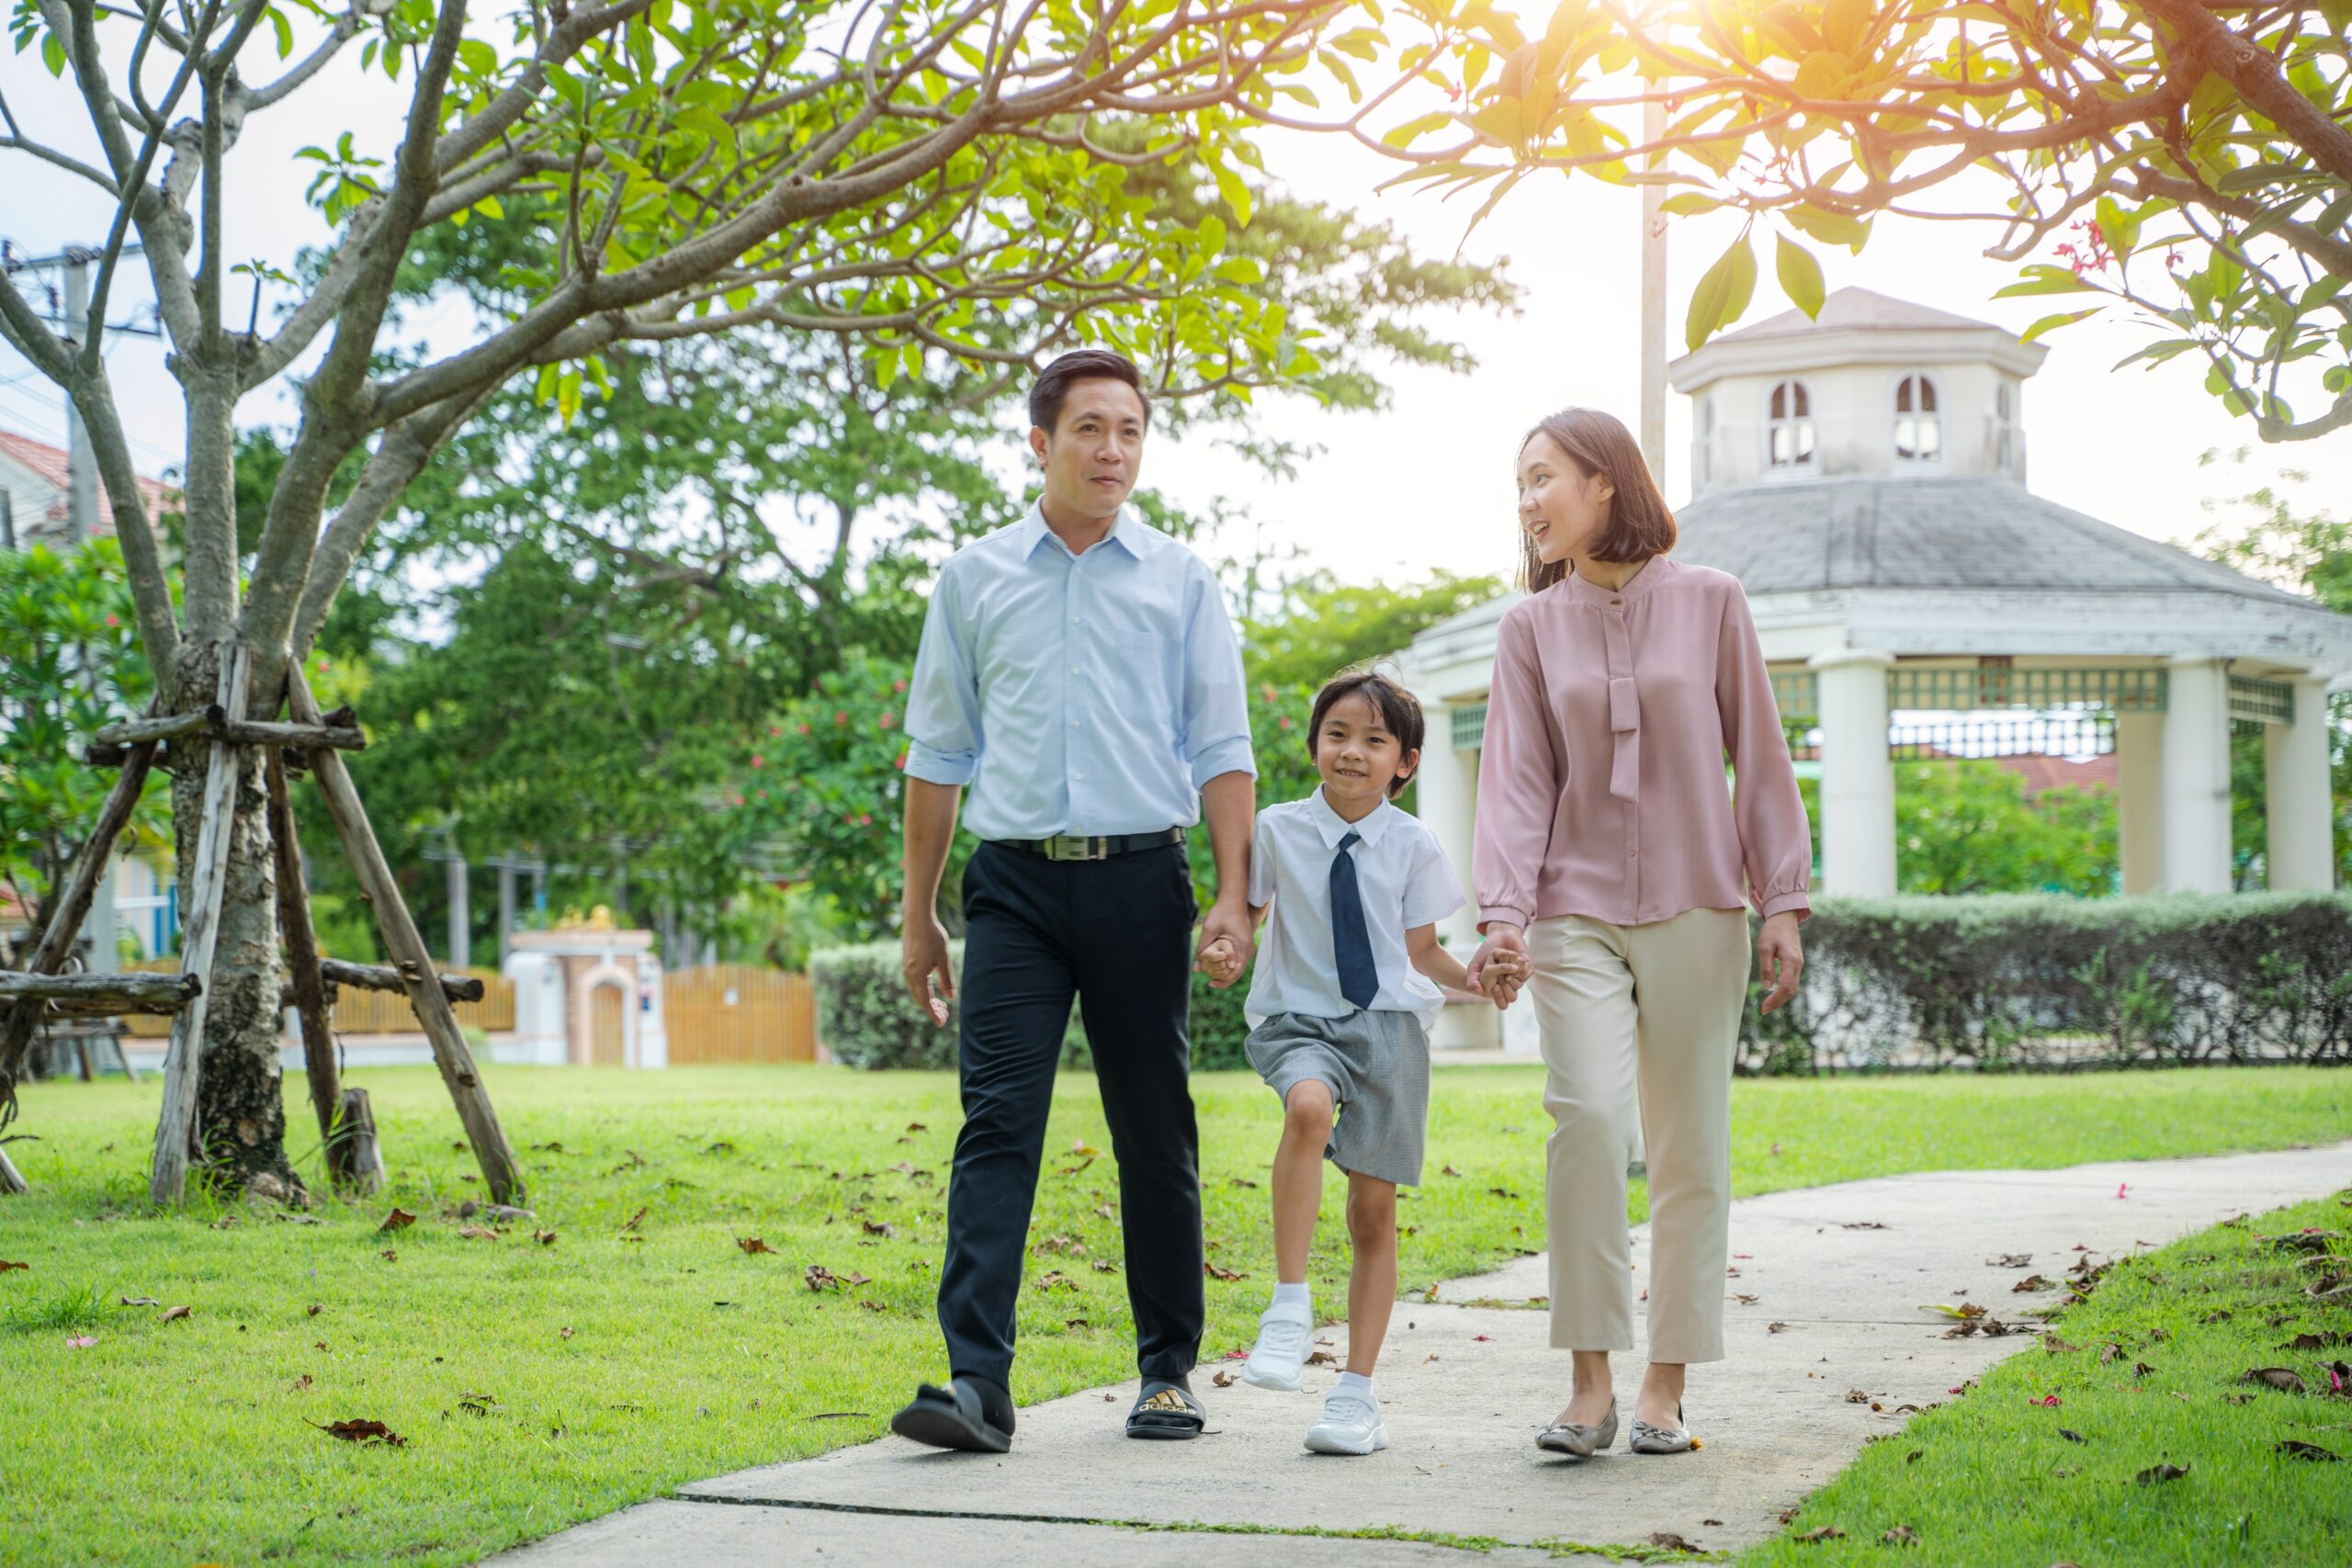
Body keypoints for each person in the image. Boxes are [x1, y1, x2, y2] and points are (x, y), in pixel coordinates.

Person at [888, 348, 1257, 1452]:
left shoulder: (1183, 579)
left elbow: (1221, 749)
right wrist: (920, 915)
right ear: (1039, 444)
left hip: (1145, 878)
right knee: (997, 1122)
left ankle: (1167, 1374)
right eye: (1090, 429)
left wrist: (1234, 894)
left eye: (1131, 431)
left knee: (1155, 1128)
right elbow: (937, 754)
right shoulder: (974, 578)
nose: (1113, 450)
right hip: (1013, 891)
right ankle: (974, 1383)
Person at [1464, 407, 1811, 1461]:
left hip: (1701, 906)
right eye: (1519, 485)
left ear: (1604, 482)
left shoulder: (1712, 602)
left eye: (1542, 479)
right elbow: (1516, 783)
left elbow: (1758, 752)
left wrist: (1782, 898)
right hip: (1571, 914)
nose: (1527, 503)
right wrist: (1501, 916)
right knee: (1585, 1119)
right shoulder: (1529, 629)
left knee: (1688, 1147)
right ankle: (1587, 1383)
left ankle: (1664, 1385)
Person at [1199, 670, 1521, 1455]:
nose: (1353, 751)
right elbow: (1244, 909)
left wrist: (1478, 976)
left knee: (1373, 1214)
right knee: (1306, 1108)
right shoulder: (1274, 828)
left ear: (1404, 762)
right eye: (1338, 733)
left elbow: (1422, 952)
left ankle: (1355, 1394)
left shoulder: (1414, 845)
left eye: (1375, 740)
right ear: (1314, 744)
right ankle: (1287, 1303)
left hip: (1388, 1031)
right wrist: (1223, 944)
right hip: (1300, 1019)